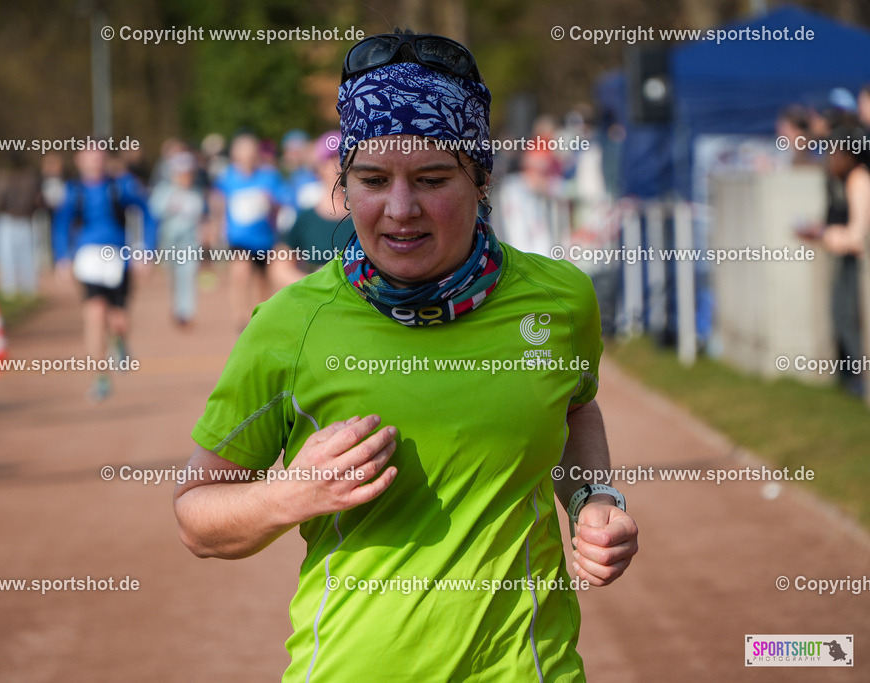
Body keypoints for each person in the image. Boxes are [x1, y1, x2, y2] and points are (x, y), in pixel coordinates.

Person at [175, 32, 639, 681]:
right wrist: (288, 494)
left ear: (481, 179)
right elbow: (196, 516)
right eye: (372, 180)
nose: (399, 209)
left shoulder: (559, 300)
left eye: (431, 179)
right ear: (344, 184)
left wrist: (593, 496)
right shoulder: (290, 325)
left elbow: (575, 408)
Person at [52, 145, 157, 401]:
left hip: (119, 260)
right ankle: (100, 378)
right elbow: (61, 224)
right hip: (88, 260)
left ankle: (119, 340)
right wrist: (62, 257)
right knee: (95, 313)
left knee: (119, 320)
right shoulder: (73, 191)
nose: (95, 162)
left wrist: (146, 250)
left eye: (99, 157)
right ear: (79, 160)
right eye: (89, 157)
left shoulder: (121, 186)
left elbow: (148, 213)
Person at [805, 125, 870, 396]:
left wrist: (826, 234)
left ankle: (859, 379)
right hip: (846, 262)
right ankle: (851, 378)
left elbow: (857, 237)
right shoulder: (840, 181)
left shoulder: (859, 180)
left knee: (848, 316)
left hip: (856, 264)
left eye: (836, 154)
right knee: (840, 314)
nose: (831, 160)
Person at [210, 132, 283, 330]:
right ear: (235, 155)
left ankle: (261, 319)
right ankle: (241, 320)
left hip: (264, 238)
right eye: (243, 153)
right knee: (240, 274)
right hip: (239, 238)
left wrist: (271, 202)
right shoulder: (227, 177)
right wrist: (216, 229)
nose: (247, 158)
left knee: (262, 282)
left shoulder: (269, 176)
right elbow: (217, 202)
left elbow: (281, 202)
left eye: (251, 153)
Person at [270, 131, 354, 288]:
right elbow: (279, 268)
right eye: (332, 157)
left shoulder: (366, 216)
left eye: (345, 157)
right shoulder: (306, 218)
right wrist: (316, 286)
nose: (340, 164)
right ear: (319, 166)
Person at [149, 152, 206, 327]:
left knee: (188, 274)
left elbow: (201, 216)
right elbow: (154, 211)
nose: (185, 177)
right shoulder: (164, 192)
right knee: (173, 276)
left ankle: (186, 312)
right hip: (169, 243)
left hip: (189, 244)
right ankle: (175, 308)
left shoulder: (196, 193)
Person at [0, 153, 41, 298]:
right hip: (9, 220)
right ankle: (12, 291)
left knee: (26, 258)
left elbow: (36, 199)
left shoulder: (28, 177)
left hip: (21, 220)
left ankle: (25, 292)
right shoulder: (3, 176)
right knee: (8, 258)